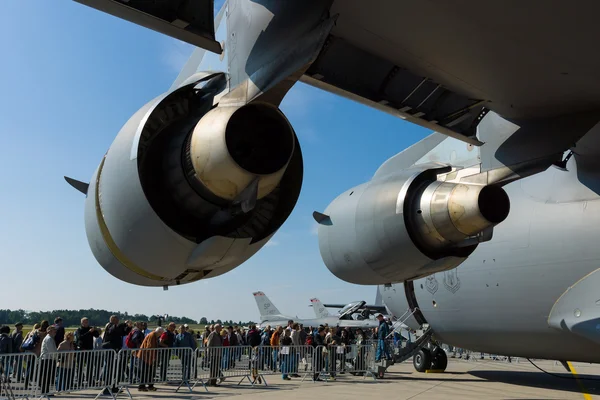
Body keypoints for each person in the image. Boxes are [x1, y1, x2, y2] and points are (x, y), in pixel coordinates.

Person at [136, 327, 163, 392]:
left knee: (150, 372)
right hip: (145, 357)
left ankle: (150, 385)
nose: (161, 335)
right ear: (159, 332)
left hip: (147, 357)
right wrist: (153, 358)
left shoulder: (154, 335)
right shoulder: (152, 336)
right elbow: (150, 347)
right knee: (144, 372)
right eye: (161, 333)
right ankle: (141, 386)